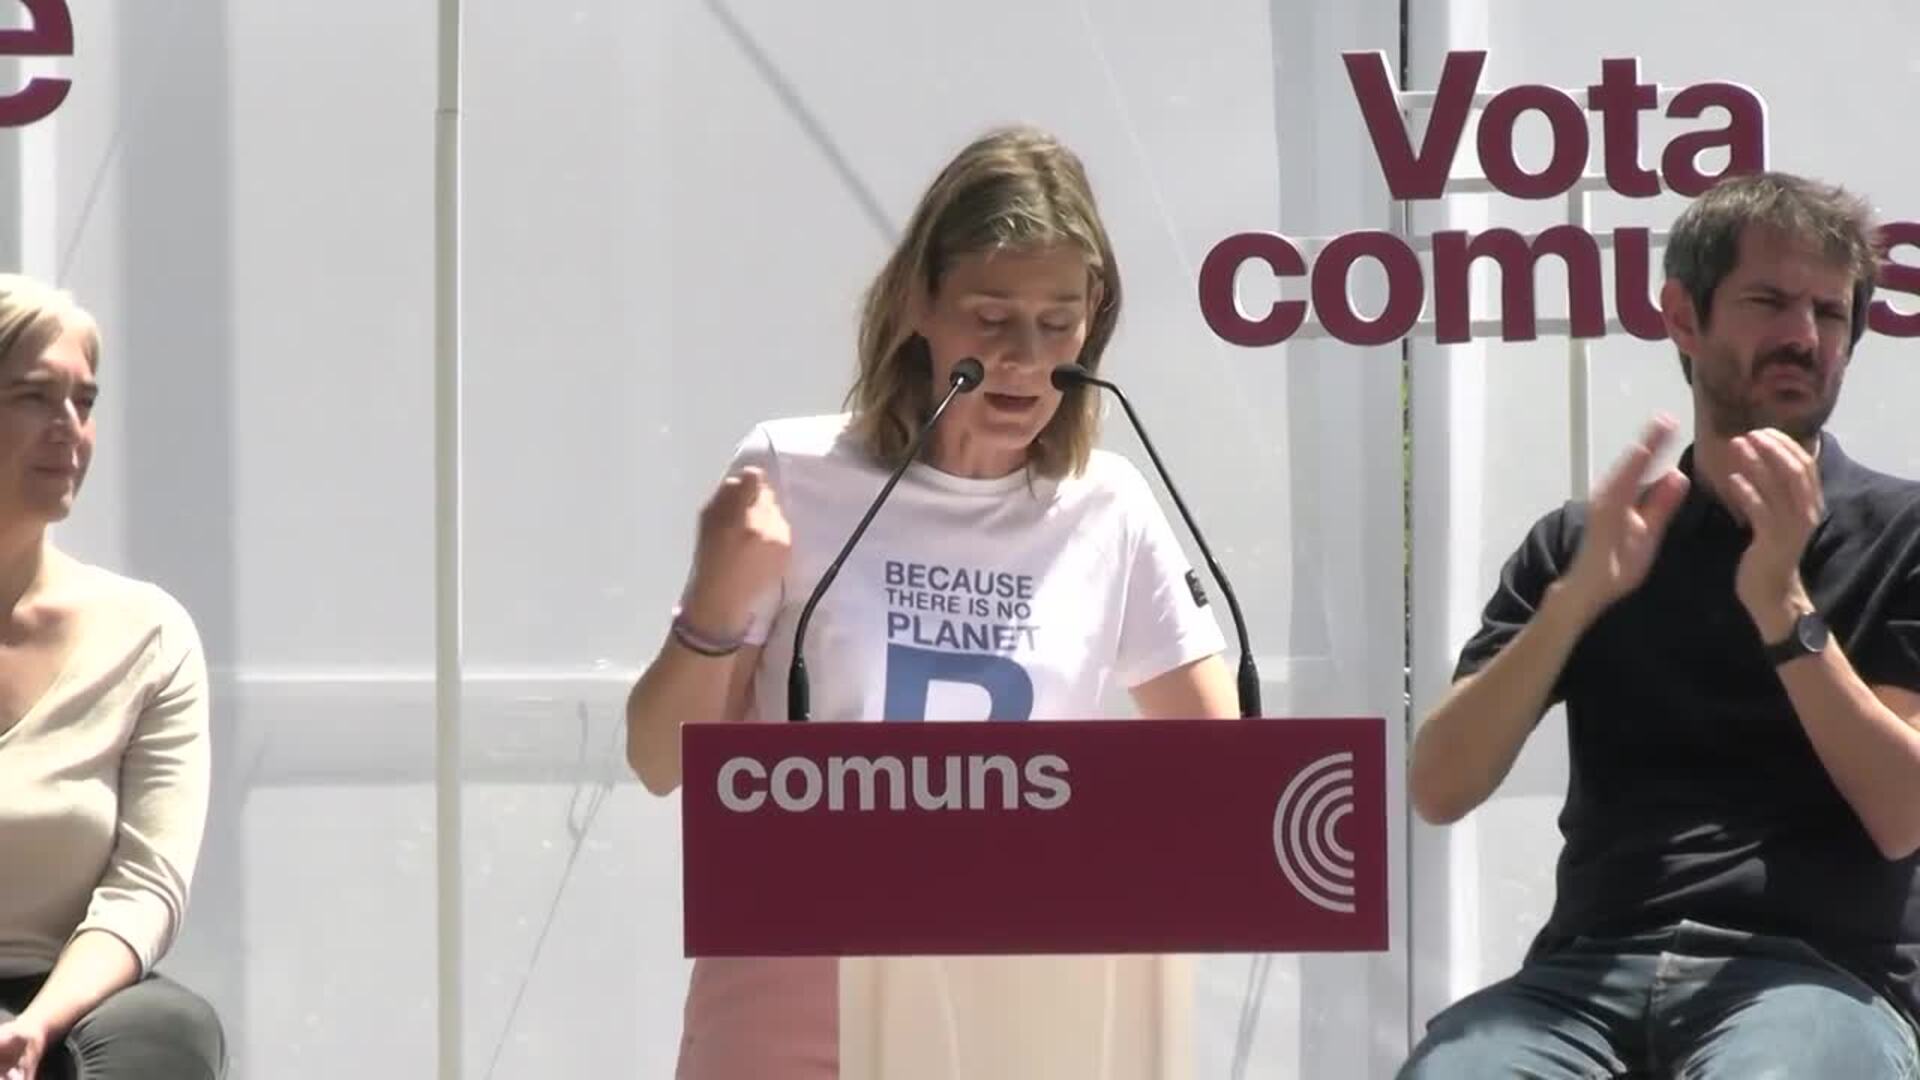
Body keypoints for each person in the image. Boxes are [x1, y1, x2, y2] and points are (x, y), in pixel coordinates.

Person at [625, 126, 1237, 1078]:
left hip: (1017, 1009)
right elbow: (660, 760)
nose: (1025, 358)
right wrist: (713, 605)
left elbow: (1223, 784)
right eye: (991, 317)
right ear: (921, 304)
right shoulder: (793, 472)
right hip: (794, 1004)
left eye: (1059, 322)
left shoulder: (1109, 506)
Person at [1400, 170, 1920, 1078]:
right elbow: (1439, 786)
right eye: (1769, 301)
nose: (1803, 336)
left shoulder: (1903, 534)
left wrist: (1783, 607)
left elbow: (1903, 813)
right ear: (1683, 316)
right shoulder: (1585, 542)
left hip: (1817, 982)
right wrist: (1575, 602)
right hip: (1581, 982)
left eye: (1830, 313)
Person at [0, 275, 226, 1080]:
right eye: (34, 396)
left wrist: (35, 1027)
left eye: (84, 401)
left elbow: (145, 886)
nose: (69, 426)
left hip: (61, 999)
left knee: (166, 1032)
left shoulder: (147, 635)